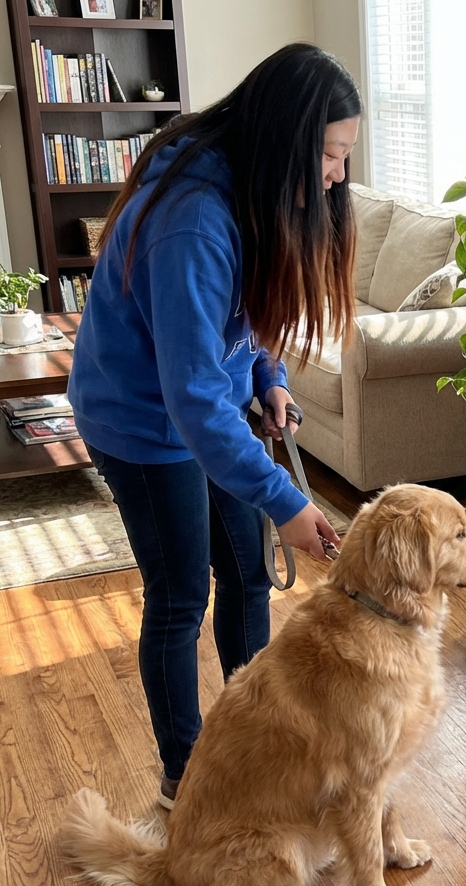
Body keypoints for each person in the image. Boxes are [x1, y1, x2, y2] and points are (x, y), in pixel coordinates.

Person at [68, 43, 359, 809]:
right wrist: (286, 501)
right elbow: (191, 397)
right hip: (137, 419)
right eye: (331, 155)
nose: (337, 175)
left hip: (208, 405)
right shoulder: (193, 221)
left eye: (344, 157)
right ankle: (184, 778)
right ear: (287, 141)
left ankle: (250, 739)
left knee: (248, 574)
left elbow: (250, 311)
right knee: (179, 597)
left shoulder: (258, 193)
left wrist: (267, 378)